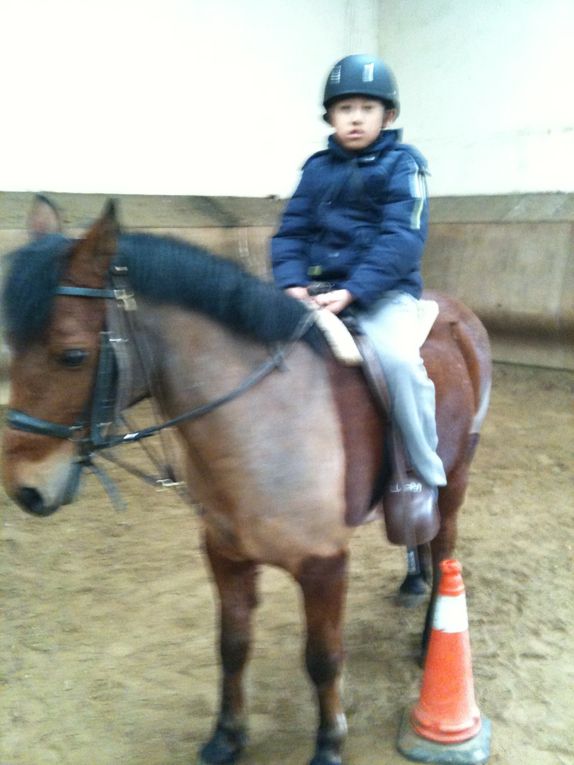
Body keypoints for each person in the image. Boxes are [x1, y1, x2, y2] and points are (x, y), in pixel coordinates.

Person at [271, 53, 447, 515]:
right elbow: (291, 233)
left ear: (386, 116)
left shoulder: (404, 166)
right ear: (330, 115)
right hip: (315, 291)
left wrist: (353, 291)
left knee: (400, 364)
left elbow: (402, 239)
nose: (355, 118)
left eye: (367, 109)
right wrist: (291, 284)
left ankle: (426, 470)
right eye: (345, 108)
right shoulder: (315, 169)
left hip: (382, 293)